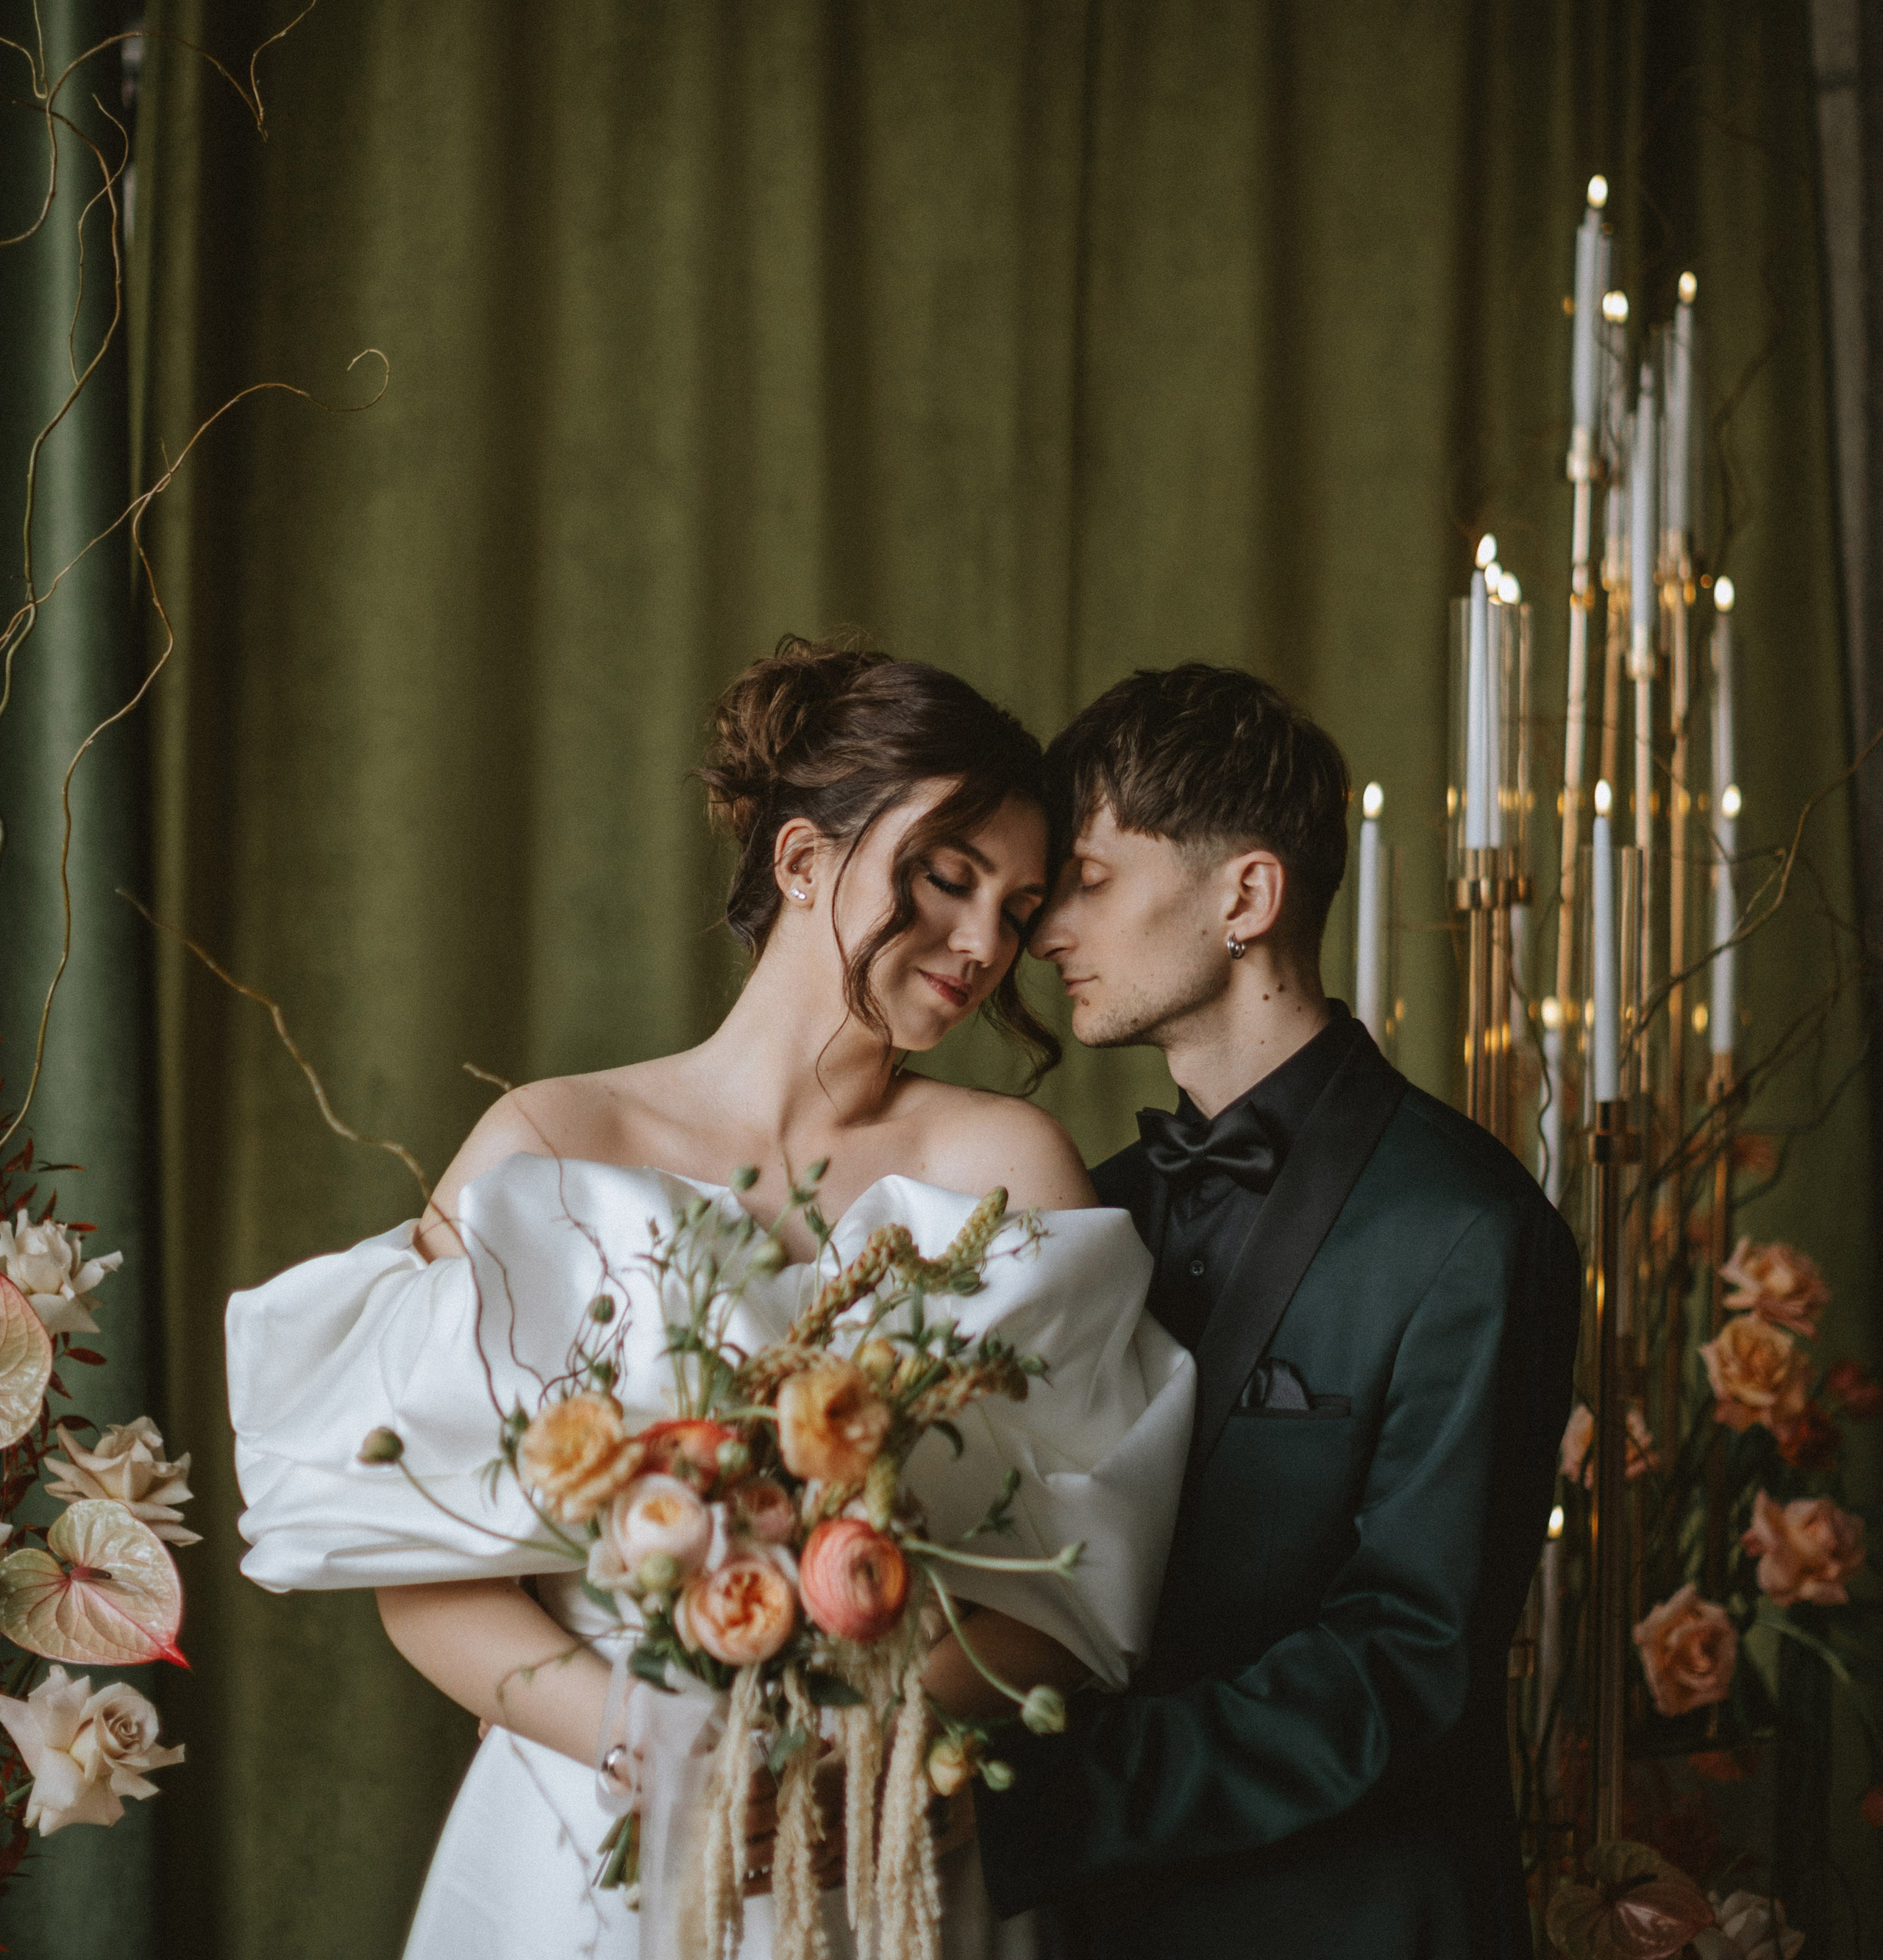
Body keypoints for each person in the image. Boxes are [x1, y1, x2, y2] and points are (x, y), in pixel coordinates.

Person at [226, 640, 1194, 1960]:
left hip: (875, 1840)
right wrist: (656, 1741)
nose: (983, 944)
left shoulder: (1008, 1171)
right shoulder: (549, 1144)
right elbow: (425, 1566)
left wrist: (853, 1748)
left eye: (1019, 911)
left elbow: (1076, 1575)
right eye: (945, 878)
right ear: (802, 861)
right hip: (587, 1835)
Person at [975, 663, 1582, 1960]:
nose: (1042, 936)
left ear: (1246, 895)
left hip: (1353, 1922)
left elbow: (1405, 1660)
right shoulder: (1094, 1211)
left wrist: (1020, 1802)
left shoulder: (1470, 1229)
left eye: (1089, 880)